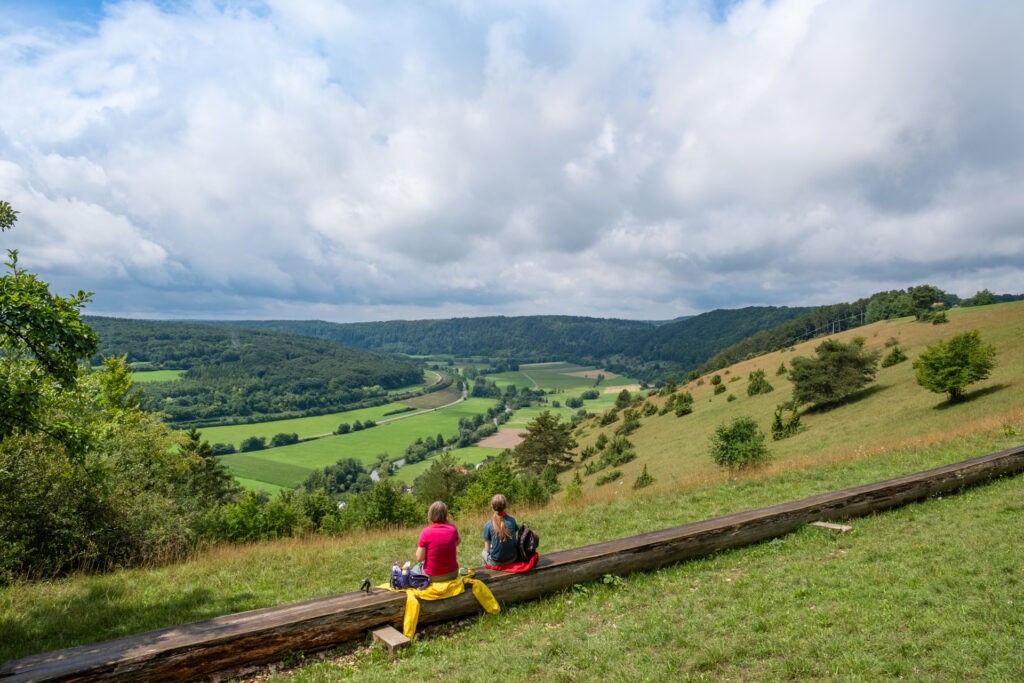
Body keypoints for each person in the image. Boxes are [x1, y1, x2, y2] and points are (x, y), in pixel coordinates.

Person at [415, 501, 461, 582]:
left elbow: (419, 558)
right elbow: (457, 542)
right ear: (446, 515)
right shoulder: (453, 529)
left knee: (415, 568)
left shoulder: (426, 532)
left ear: (430, 514)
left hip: (433, 576)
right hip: (452, 574)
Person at [481, 494, 518, 567]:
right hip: (513, 559)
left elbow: (487, 549)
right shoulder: (512, 520)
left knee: (483, 553)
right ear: (505, 506)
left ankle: (485, 572)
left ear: (492, 506)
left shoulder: (488, 525)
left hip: (496, 563)